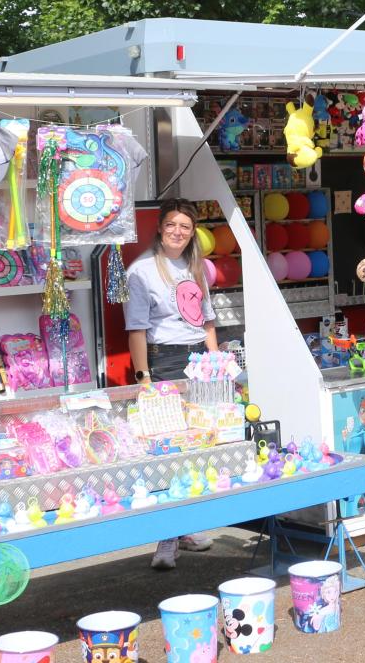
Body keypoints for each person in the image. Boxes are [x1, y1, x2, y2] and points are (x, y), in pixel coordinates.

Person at [124, 199, 220, 569]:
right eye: (171, 225)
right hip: (163, 359)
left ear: (193, 232)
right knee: (170, 447)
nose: (178, 232)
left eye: (185, 226)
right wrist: (144, 378)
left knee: (198, 444)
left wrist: (215, 363)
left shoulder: (196, 267)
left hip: (199, 360)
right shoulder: (142, 271)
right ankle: (166, 539)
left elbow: (207, 322)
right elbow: (136, 330)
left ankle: (186, 528)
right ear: (160, 228)